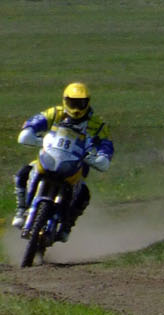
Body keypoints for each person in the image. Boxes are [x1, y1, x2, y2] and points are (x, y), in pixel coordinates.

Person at [12, 81, 114, 241]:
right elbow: (32, 124)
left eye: (80, 103)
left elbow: (106, 146)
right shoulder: (54, 113)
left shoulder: (98, 125)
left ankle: (67, 225)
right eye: (72, 102)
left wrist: (101, 157)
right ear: (65, 100)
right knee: (23, 173)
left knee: (83, 195)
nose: (76, 108)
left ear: (87, 103)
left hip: (77, 167)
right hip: (50, 157)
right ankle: (20, 209)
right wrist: (33, 135)